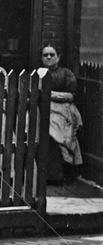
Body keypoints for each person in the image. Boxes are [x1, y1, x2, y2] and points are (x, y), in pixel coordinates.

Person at [38, 44, 82, 183]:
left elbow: (70, 95)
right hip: (43, 108)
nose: (49, 57)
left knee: (59, 130)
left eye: (52, 54)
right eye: (45, 55)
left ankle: (62, 172)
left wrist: (48, 94)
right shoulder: (38, 73)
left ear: (58, 57)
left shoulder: (66, 73)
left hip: (63, 108)